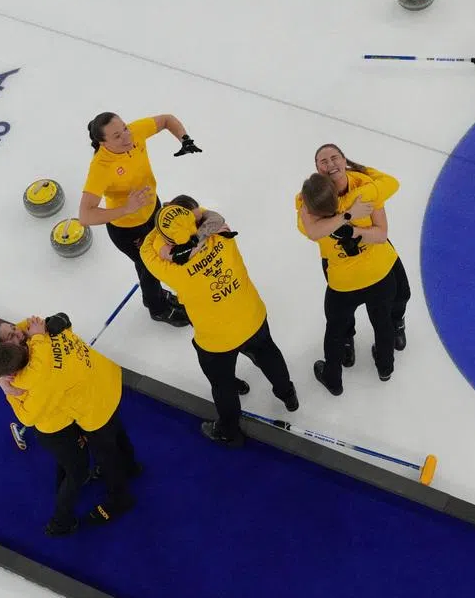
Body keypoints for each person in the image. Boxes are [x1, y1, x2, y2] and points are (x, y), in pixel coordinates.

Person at [140, 194, 299, 447]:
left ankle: (229, 431)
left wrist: (164, 227)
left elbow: (146, 248)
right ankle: (287, 395)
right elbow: (209, 215)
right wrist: (188, 223)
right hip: (251, 316)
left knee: (222, 384)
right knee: (268, 353)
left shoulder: (172, 270)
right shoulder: (222, 235)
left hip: (216, 340)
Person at [0, 314, 138, 534]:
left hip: (95, 406)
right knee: (115, 432)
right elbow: (59, 319)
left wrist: (5, 387)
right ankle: (131, 466)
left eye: (14, 329)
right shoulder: (42, 334)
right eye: (12, 335)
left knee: (105, 453)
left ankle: (120, 498)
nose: (19, 331)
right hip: (104, 378)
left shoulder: (32, 379)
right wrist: (0, 374)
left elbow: (28, 417)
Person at [78, 111, 202, 327]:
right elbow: (85, 215)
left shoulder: (134, 133)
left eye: (124, 128)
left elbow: (166, 120)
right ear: (102, 142)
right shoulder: (101, 168)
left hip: (152, 210)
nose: (126, 137)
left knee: (158, 259)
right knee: (149, 268)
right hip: (128, 230)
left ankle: (159, 297)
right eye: (117, 136)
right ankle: (157, 308)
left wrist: (185, 138)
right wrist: (127, 208)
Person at [296, 172, 400, 395]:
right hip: (378, 276)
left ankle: (333, 379)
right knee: (383, 322)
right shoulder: (361, 198)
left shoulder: (311, 221)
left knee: (334, 331)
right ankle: (385, 367)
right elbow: (390, 184)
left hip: (344, 285)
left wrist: (307, 200)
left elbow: (310, 226)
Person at [311, 143, 411, 364]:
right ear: (318, 170)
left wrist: (354, 230)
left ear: (345, 160)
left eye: (335, 158)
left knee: (401, 292)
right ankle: (348, 340)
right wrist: (349, 215)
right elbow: (390, 183)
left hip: (378, 254)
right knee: (342, 310)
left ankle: (396, 323)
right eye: (323, 161)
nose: (330, 164)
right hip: (339, 261)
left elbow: (382, 232)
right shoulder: (315, 198)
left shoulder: (364, 185)